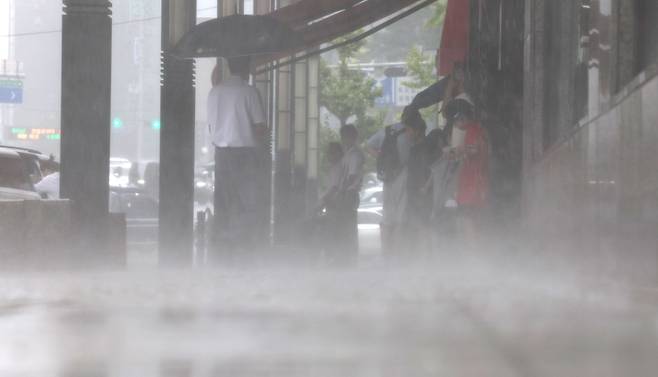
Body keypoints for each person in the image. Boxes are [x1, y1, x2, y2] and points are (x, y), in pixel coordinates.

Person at [207, 55, 267, 262]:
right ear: (247, 68)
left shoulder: (214, 93)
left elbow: (211, 127)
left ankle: (223, 247)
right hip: (245, 154)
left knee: (224, 200)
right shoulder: (249, 92)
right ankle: (243, 247)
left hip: (221, 154)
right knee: (246, 201)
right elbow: (260, 127)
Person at [365, 108, 416, 258]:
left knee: (387, 217)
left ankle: (386, 253)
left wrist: (381, 158)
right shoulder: (410, 133)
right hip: (402, 175)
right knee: (400, 216)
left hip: (387, 177)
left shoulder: (387, 131)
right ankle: (398, 252)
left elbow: (368, 146)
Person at [337, 124, 364, 265]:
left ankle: (350, 256)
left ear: (352, 137)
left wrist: (342, 191)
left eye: (346, 136)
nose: (344, 140)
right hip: (347, 192)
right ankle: (347, 255)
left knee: (348, 225)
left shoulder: (354, 154)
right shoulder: (349, 153)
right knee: (346, 225)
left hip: (349, 192)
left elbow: (352, 175)